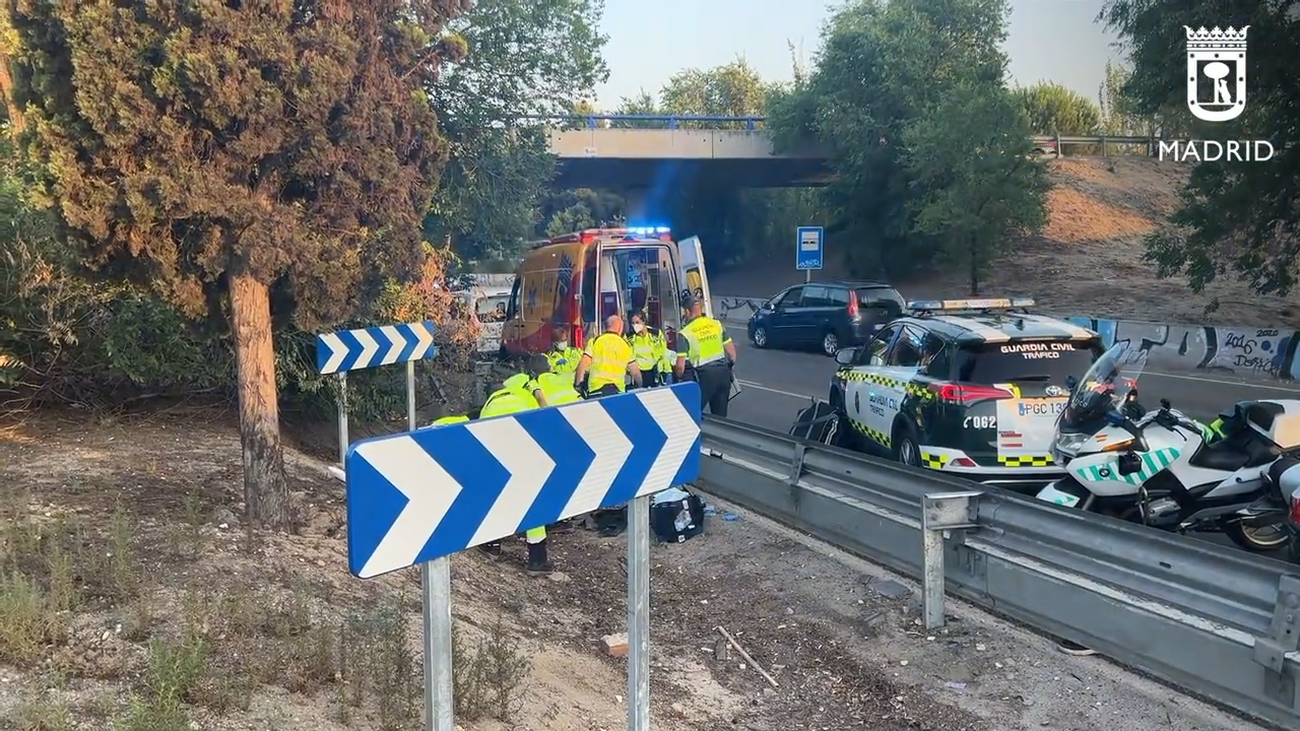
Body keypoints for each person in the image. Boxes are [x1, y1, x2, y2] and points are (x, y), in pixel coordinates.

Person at [476, 354, 554, 574]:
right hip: (525, 438)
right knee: (531, 495)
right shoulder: (523, 389)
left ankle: (492, 545)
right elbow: (540, 408)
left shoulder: (488, 405)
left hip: (497, 442)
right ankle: (537, 559)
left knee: (497, 491)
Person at [674, 297, 737, 416]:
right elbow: (732, 354)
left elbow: (680, 367)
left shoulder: (685, 333)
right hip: (723, 374)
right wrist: (728, 368)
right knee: (720, 416)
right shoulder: (716, 324)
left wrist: (678, 377)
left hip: (705, 376)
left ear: (687, 311)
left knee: (693, 413)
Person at [573, 315, 641, 398]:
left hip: (596, 391)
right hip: (617, 392)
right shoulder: (625, 345)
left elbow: (583, 364)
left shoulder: (595, 341)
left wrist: (578, 385)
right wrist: (639, 386)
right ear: (620, 328)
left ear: (606, 327)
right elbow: (635, 372)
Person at [626, 312, 669, 388]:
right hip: (638, 374)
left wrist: (666, 372)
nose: (635, 326)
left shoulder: (656, 334)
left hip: (655, 372)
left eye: (637, 322)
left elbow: (663, 353)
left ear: (644, 322)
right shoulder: (629, 337)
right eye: (632, 323)